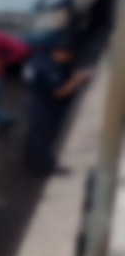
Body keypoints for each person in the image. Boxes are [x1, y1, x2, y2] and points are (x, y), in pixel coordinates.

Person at [23, 44, 90, 174]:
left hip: (34, 100)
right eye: (70, 57)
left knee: (35, 134)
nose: (71, 60)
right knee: (44, 136)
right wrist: (77, 80)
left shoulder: (41, 58)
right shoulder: (49, 69)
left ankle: (30, 160)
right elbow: (59, 93)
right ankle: (41, 167)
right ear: (62, 53)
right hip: (45, 105)